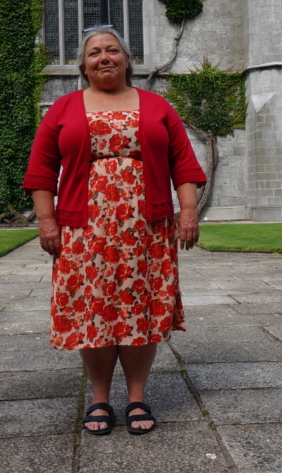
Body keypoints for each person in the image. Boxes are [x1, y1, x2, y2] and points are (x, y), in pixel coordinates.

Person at [23, 28, 206, 436]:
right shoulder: (64, 107)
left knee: (139, 307)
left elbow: (184, 163)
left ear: (127, 58)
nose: (103, 57)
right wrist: (46, 219)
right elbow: (41, 169)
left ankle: (137, 396)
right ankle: (101, 397)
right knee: (94, 308)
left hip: (148, 226)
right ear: (83, 64)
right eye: (94, 53)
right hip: (85, 228)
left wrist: (188, 211)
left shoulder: (157, 105)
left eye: (112, 50)